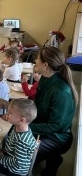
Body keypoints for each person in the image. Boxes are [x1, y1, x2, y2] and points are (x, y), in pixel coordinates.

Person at [29, 47, 77, 176]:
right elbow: (38, 104)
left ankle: (53, 158)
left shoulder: (61, 91)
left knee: (23, 155)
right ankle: (52, 159)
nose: (35, 60)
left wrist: (27, 126)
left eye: (37, 59)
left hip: (57, 138)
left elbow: (56, 126)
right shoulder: (45, 78)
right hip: (44, 128)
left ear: (45, 65)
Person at [0, 98, 38, 176]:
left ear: (21, 120)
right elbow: (12, 146)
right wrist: (4, 151)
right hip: (9, 157)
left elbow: (17, 164)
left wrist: (2, 157)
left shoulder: (21, 140)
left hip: (16, 171)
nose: (7, 114)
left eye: (10, 113)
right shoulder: (19, 128)